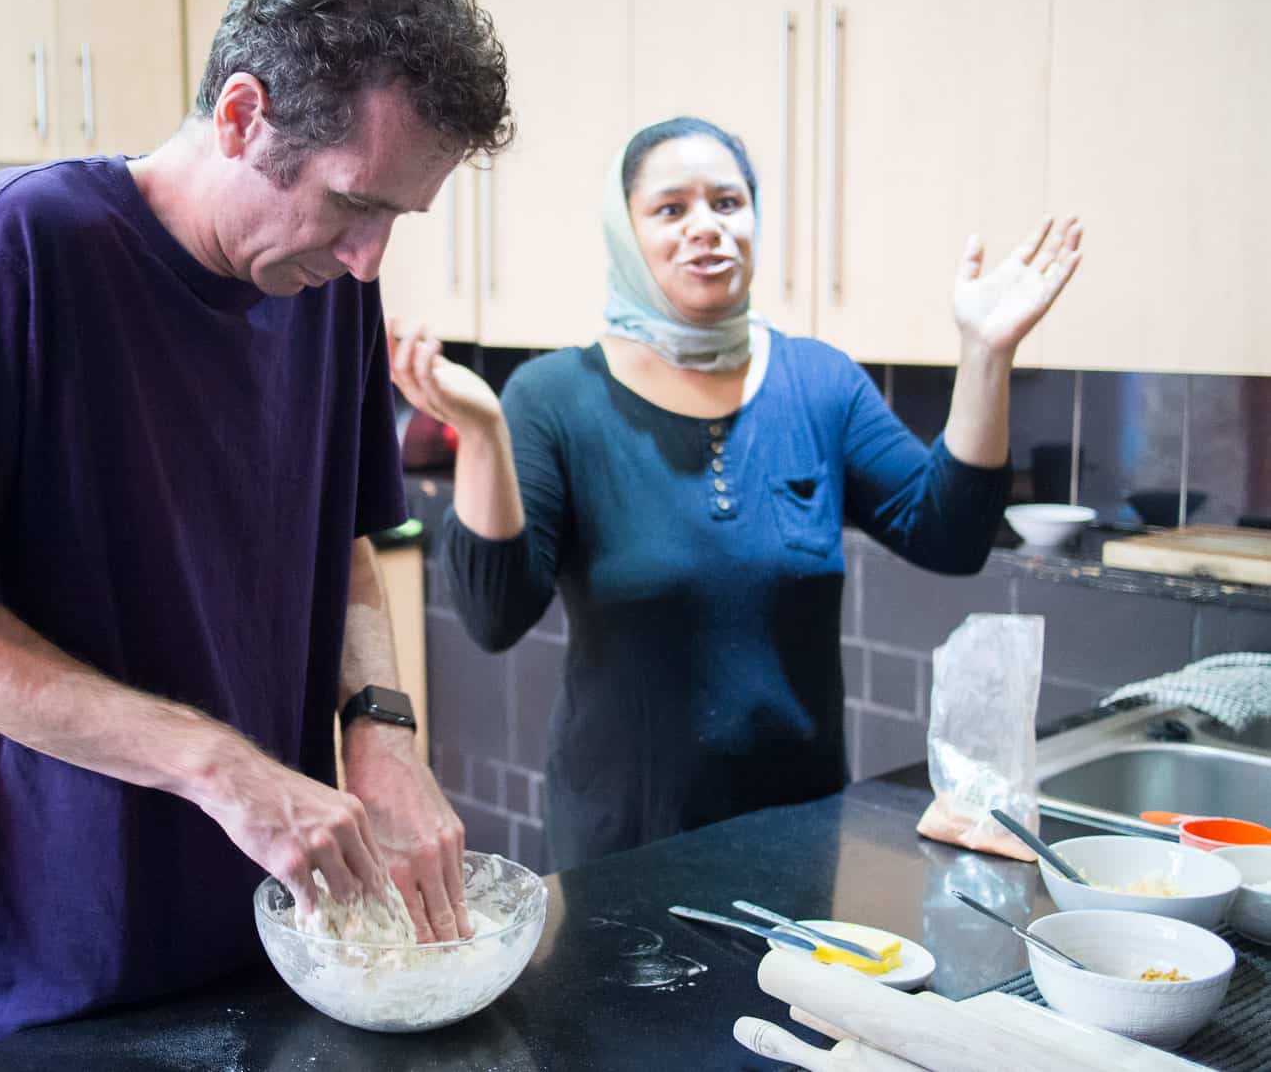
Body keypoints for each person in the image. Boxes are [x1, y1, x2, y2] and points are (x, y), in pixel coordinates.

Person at [0, 0, 511, 1048]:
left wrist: (380, 731)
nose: (367, 253)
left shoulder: (331, 283)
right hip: (76, 947)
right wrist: (225, 769)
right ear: (243, 115)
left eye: (398, 216)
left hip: (288, 922)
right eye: (352, 202)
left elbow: (341, 534)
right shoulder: (18, 249)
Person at [390, 116, 1082, 872]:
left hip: (798, 838)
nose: (706, 228)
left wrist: (986, 355)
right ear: (626, 232)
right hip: (624, 849)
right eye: (670, 208)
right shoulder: (556, 398)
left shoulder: (820, 384)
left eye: (727, 202)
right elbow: (493, 616)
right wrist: (484, 433)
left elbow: (951, 536)